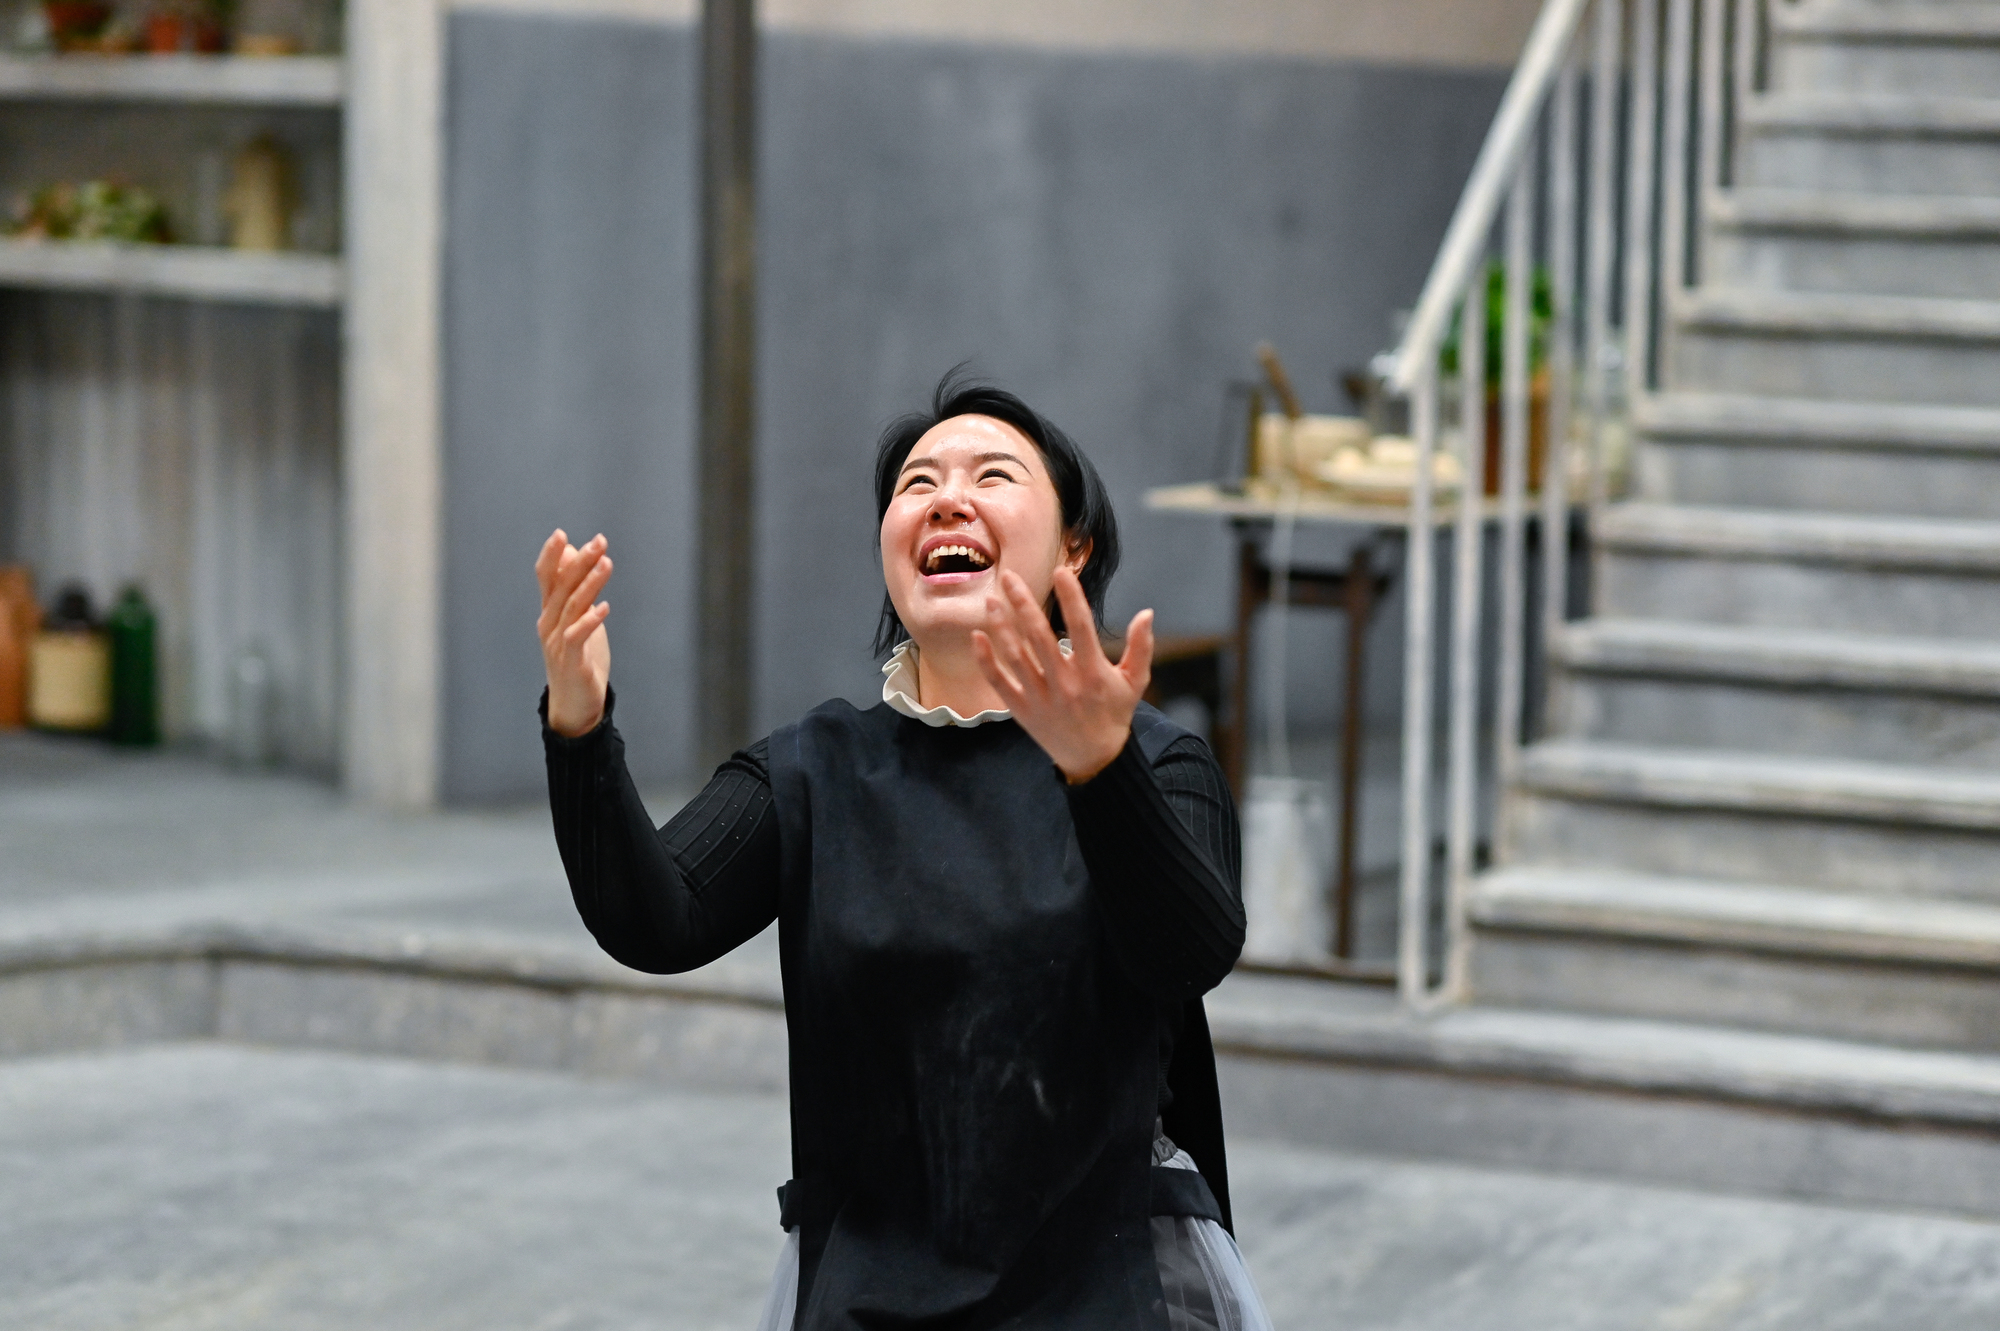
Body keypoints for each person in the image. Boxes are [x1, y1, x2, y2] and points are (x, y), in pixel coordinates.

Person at [536, 372, 1272, 1330]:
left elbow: (1192, 951)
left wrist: (1100, 769)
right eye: (917, 484)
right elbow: (654, 919)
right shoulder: (814, 767)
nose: (947, 498)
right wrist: (580, 723)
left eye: (993, 474)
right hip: (872, 1288)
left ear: (1075, 546)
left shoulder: (1156, 759)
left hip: (1105, 1284)